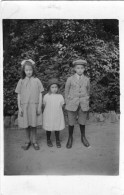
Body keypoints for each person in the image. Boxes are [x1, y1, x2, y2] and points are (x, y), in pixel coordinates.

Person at [15, 59, 44, 150]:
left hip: (34, 106)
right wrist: (19, 107)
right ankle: (27, 141)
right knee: (26, 124)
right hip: (25, 106)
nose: (28, 72)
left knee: (34, 124)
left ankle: (34, 141)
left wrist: (39, 106)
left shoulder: (37, 80)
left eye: (30, 70)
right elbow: (19, 94)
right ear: (24, 71)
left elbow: (40, 93)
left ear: (33, 70)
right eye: (27, 70)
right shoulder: (21, 81)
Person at [65, 59, 90, 149]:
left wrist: (86, 100)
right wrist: (67, 103)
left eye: (82, 68)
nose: (80, 70)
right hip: (72, 103)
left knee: (82, 122)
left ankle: (83, 137)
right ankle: (70, 138)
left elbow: (88, 91)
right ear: (74, 69)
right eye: (78, 68)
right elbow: (66, 92)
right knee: (71, 122)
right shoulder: (70, 79)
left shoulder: (87, 79)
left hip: (83, 104)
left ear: (84, 69)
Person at [43, 78, 65, 148]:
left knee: (57, 127)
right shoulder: (46, 96)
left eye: (56, 87)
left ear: (58, 88)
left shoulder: (60, 96)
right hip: (48, 115)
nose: (54, 89)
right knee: (48, 127)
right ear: (49, 88)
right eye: (52, 87)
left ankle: (57, 140)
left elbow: (62, 105)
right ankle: (48, 139)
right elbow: (44, 104)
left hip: (57, 114)